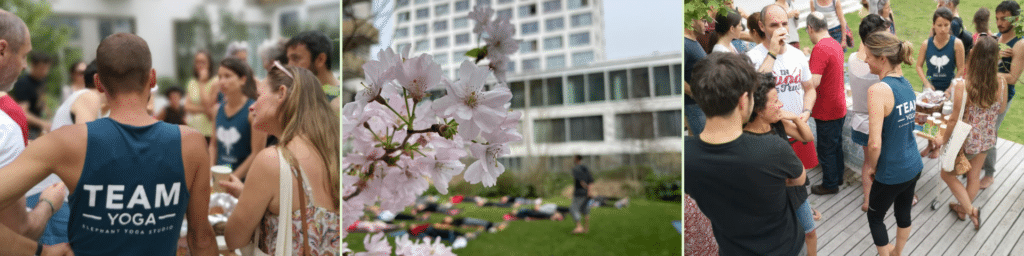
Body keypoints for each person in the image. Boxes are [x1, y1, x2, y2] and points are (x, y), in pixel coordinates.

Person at [0, 32, 218, 255]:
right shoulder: (190, 143)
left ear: (98, 84)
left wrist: (38, 252)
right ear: (152, 79)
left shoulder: (66, 142)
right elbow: (201, 239)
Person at [686, 52, 806, 256]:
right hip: (784, 249)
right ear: (744, 101)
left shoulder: (687, 155)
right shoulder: (772, 148)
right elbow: (799, 178)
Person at [221, 64, 340, 255]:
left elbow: (233, 238)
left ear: (281, 94)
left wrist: (245, 198)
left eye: (259, 96)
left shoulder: (272, 160)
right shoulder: (332, 153)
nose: (252, 106)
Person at [0, 10, 71, 251]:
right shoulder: (7, 121)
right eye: (23, 56)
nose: (23, 66)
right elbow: (20, 230)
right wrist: (50, 203)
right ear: (2, 50)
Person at [20, 59, 103, 246]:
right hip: (52, 196)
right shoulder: (89, 96)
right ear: (100, 80)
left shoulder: (89, 100)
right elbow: (89, 144)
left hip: (56, 195)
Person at [862, 31, 924, 256]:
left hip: (892, 170)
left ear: (882, 59)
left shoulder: (878, 90)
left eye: (868, 55)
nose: (865, 59)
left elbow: (874, 143)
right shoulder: (906, 84)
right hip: (913, 164)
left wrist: (872, 167)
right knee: (903, 212)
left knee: (874, 215)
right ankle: (897, 251)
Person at [743, 72, 819, 256]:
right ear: (758, 109)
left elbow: (808, 137)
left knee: (810, 231)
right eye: (775, 101)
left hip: (796, 193)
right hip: (772, 200)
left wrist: (793, 117)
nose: (781, 105)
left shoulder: (777, 123)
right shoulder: (743, 139)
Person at [933, 37, 1005, 229]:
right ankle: (962, 210)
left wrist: (942, 138)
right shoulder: (1002, 83)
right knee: (973, 177)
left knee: (947, 175)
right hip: (988, 138)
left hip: (967, 141)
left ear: (974, 55)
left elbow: (954, 120)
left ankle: (970, 209)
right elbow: (1000, 109)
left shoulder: (964, 86)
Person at [749, 4, 819, 174]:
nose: (781, 29)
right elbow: (754, 93)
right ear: (761, 26)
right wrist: (772, 52)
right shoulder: (752, 58)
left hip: (798, 129)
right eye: (774, 25)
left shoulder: (797, 55)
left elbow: (809, 89)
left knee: (802, 180)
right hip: (772, 135)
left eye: (784, 24)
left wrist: (807, 111)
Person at [849, 14, 892, 212]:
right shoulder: (880, 65)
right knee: (884, 163)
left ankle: (867, 200)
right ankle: (885, 200)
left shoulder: (851, 59)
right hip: (879, 122)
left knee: (868, 163)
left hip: (858, 120)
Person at [805, 12, 847, 195]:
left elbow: (814, 82)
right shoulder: (834, 43)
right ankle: (838, 176)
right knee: (836, 145)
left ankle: (830, 185)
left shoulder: (820, 48)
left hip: (826, 109)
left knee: (826, 150)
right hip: (839, 104)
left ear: (810, 28)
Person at [209, 58, 265, 179]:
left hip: (243, 182)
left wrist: (232, 180)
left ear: (243, 80)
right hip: (219, 180)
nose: (222, 81)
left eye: (228, 76)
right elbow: (213, 144)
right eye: (220, 77)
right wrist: (210, 173)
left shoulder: (254, 112)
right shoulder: (217, 110)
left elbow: (257, 153)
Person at [987, 0, 1024, 189]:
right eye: (997, 18)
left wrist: (986, 72)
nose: (999, 23)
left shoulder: (1019, 44)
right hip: (986, 93)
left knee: (990, 133)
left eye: (1004, 19)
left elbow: (1011, 78)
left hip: (1002, 97)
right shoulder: (996, 38)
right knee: (979, 130)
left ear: (1016, 19)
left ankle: (989, 174)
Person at [286, 31, 340, 112]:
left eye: (296, 58)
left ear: (320, 59)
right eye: (288, 59)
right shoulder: (305, 93)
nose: (289, 65)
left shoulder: (335, 103)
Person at [915, 7, 965, 93]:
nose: (943, 29)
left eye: (946, 25)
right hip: (930, 87)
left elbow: (961, 68)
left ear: (950, 24)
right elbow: (918, 66)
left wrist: (950, 88)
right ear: (933, 25)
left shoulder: (957, 44)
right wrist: (927, 83)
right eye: (939, 25)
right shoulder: (926, 44)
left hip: (949, 88)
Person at [10, 51, 52, 137]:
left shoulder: (42, 80)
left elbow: (41, 99)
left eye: (47, 68)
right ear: (33, 65)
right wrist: (43, 123)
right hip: (27, 131)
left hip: (38, 128)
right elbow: (23, 112)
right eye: (42, 69)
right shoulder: (23, 83)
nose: (45, 72)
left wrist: (48, 114)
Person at [184, 50, 218, 142]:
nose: (200, 65)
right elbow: (187, 106)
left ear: (209, 64)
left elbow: (210, 114)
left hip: (208, 133)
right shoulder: (192, 82)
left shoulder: (215, 81)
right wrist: (204, 109)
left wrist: (202, 83)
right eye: (197, 62)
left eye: (203, 62)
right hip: (192, 130)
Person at [685, 17, 708, 136]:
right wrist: (694, 93)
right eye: (703, 20)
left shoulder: (694, 41)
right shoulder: (684, 43)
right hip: (694, 106)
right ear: (692, 21)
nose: (707, 24)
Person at [570, 155, 594, 234]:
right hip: (587, 193)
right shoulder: (586, 168)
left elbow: (581, 181)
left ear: (576, 159)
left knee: (573, 209)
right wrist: (589, 191)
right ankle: (586, 229)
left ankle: (579, 227)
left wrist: (585, 188)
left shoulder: (576, 169)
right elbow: (590, 180)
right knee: (585, 210)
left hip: (579, 193)